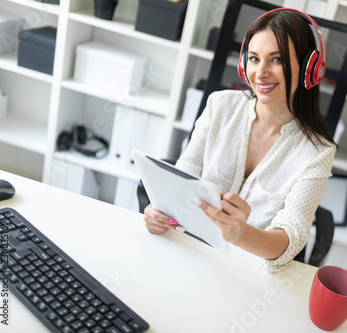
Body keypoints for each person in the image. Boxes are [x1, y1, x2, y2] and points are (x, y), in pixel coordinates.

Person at [143, 8, 336, 273]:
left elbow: (292, 238)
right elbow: (184, 174)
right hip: (187, 250)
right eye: (254, 59)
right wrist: (159, 211)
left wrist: (240, 234)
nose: (261, 72)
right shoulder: (220, 105)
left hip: (247, 271)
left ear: (308, 69)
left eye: (276, 59)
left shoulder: (317, 152)